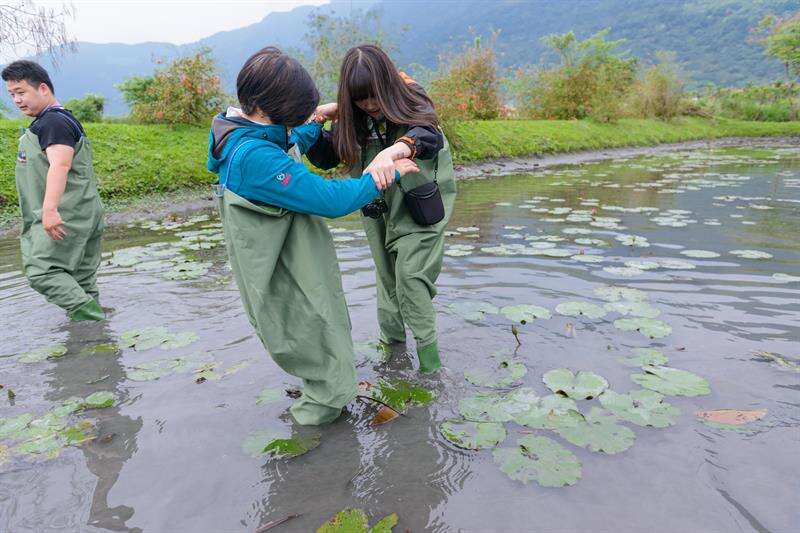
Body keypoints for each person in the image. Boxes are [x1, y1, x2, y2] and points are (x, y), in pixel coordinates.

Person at [207, 47, 419, 425]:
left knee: (316, 342)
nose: (299, 121)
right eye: (296, 113)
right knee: (322, 352)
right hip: (283, 273)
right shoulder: (255, 157)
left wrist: (323, 114)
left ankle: (321, 410)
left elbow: (292, 139)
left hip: (278, 264)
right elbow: (332, 199)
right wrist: (387, 173)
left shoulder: (236, 129)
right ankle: (312, 439)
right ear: (266, 106)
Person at [303, 45, 457, 374]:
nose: (371, 106)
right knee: (387, 277)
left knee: (410, 277)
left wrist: (396, 150)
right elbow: (325, 156)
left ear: (387, 85)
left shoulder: (411, 94)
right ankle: (393, 354)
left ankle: (431, 370)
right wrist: (316, 119)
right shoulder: (352, 114)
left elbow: (428, 133)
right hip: (378, 207)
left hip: (419, 203)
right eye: (361, 100)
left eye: (375, 97)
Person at [3, 60, 105, 321]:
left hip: (65, 213)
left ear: (44, 88)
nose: (17, 100)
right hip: (83, 211)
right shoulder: (55, 121)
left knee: (42, 272)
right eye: (12, 94)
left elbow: (60, 164)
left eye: (21, 92)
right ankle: (92, 339)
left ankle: (93, 320)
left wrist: (49, 210)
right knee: (81, 281)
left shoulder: (53, 123)